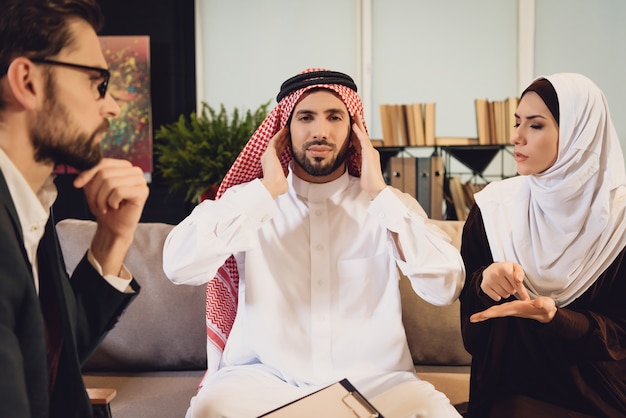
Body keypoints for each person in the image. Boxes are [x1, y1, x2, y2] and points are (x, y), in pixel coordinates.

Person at [163, 68, 466, 417]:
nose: (320, 132)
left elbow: (445, 286)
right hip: (262, 384)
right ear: (282, 130)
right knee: (210, 410)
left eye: (334, 117)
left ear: (353, 131)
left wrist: (379, 194)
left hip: (376, 385)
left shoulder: (386, 206)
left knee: (430, 410)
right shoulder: (249, 201)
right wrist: (264, 193)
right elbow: (177, 266)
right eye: (305, 117)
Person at [0, 0, 150, 416]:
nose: (112, 106)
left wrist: (113, 236)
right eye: (95, 81)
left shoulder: (32, 204)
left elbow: (54, 359)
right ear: (27, 81)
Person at [459, 73, 626, 417]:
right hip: (507, 388)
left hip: (594, 394)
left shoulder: (619, 221)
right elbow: (473, 334)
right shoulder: (492, 210)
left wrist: (558, 318)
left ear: (579, 136)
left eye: (535, 126)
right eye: (517, 122)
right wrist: (484, 283)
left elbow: (620, 336)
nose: (515, 137)